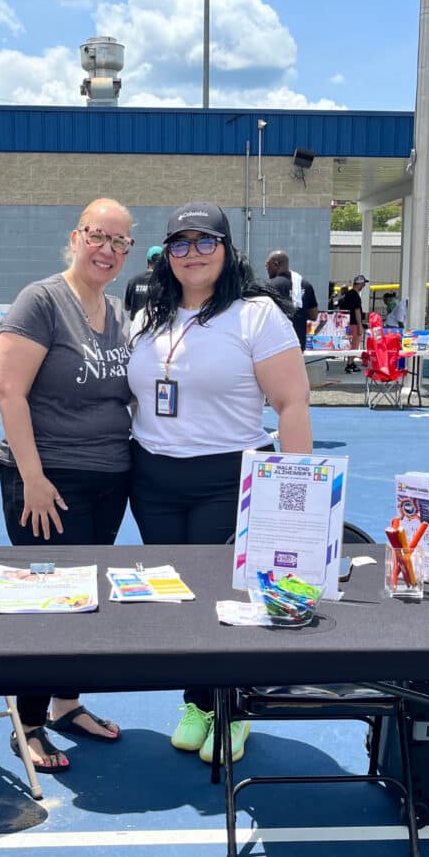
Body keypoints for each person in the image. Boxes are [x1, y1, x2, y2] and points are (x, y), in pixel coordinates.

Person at [127, 201, 312, 765]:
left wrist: (297, 489)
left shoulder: (257, 315)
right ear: (165, 256)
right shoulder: (147, 315)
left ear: (227, 250)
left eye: (205, 241)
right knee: (177, 597)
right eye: (179, 243)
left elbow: (291, 401)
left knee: (224, 598)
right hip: (152, 477)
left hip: (228, 476)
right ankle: (198, 701)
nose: (192, 254)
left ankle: (234, 705)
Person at [0, 197, 133, 772]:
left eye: (120, 242)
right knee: (45, 605)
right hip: (46, 480)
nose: (107, 250)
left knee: (86, 599)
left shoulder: (120, 312)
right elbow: (9, 390)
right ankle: (26, 722)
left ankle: (65, 704)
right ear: (77, 237)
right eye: (99, 237)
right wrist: (33, 477)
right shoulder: (42, 300)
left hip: (109, 480)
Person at [264, 250, 319, 350]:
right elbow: (314, 315)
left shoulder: (269, 286)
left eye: (267, 264)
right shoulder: (306, 285)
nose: (266, 268)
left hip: (276, 344)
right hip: (298, 344)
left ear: (276, 264)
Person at [124, 245, 163, 320]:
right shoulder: (166, 283)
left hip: (136, 328)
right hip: (158, 328)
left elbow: (127, 307)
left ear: (148, 261)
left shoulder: (133, 281)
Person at [337, 275, 367, 372]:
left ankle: (351, 362)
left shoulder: (349, 294)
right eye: (364, 283)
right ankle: (349, 364)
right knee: (354, 344)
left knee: (351, 343)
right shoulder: (355, 295)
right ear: (360, 283)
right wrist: (360, 325)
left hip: (348, 322)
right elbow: (357, 310)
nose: (364, 285)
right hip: (353, 323)